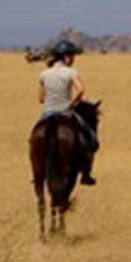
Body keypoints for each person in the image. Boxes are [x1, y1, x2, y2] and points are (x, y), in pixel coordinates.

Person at [37, 39, 98, 185]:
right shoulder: (71, 72)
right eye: (72, 56)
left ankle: (37, 174)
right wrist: (71, 104)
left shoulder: (44, 74)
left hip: (48, 112)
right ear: (66, 57)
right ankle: (86, 174)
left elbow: (41, 98)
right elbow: (81, 90)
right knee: (90, 137)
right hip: (66, 112)